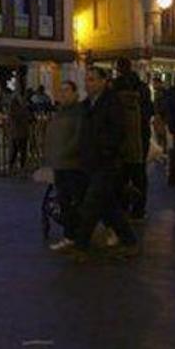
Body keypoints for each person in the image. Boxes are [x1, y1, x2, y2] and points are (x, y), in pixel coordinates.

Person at [71, 67, 139, 258]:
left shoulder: (111, 103)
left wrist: (105, 149)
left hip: (106, 162)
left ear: (103, 82)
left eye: (92, 79)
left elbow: (117, 131)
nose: (88, 83)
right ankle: (129, 240)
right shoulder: (86, 105)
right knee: (108, 206)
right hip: (89, 161)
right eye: (87, 79)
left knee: (91, 203)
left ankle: (81, 246)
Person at [45, 80, 86, 251]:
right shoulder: (60, 112)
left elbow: (78, 137)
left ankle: (77, 235)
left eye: (67, 90)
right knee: (64, 200)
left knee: (75, 201)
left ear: (75, 93)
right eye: (61, 90)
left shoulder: (79, 112)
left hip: (73, 164)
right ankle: (70, 235)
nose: (63, 94)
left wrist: (65, 152)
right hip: (60, 164)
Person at [111, 58, 152, 219]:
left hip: (121, 137)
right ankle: (139, 208)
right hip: (140, 136)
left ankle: (123, 205)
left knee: (120, 175)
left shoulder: (114, 89)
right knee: (139, 175)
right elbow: (149, 111)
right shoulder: (142, 88)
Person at [7, 90, 33, 170]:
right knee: (19, 150)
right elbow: (20, 116)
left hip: (19, 131)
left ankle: (16, 166)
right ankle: (18, 166)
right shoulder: (18, 106)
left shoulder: (20, 106)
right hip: (19, 131)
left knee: (18, 150)